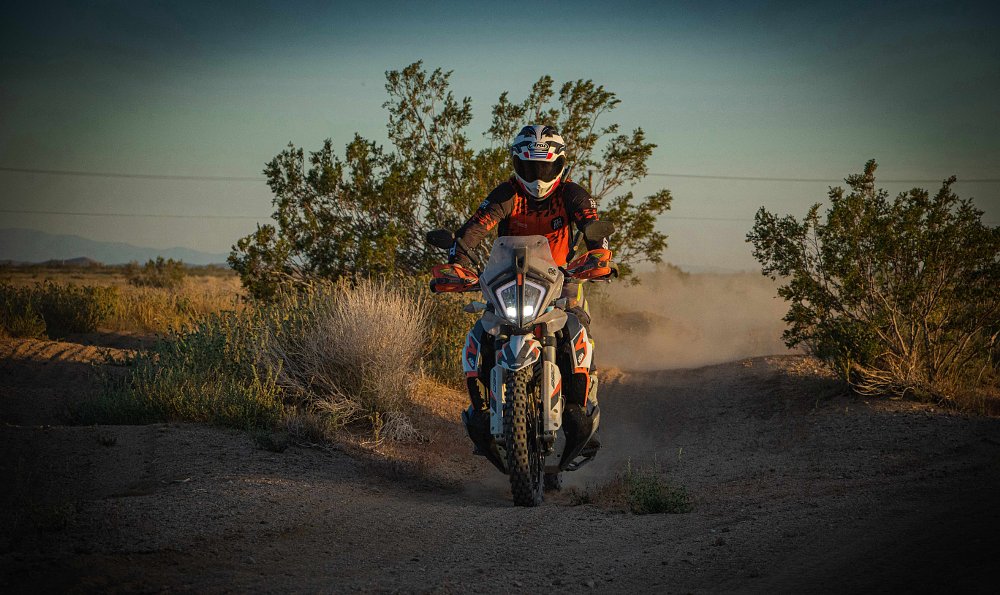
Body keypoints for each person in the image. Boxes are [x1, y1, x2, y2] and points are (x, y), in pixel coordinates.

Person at [448, 124, 611, 470]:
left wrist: (599, 254)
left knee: (579, 329)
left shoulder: (572, 193)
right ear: (516, 164)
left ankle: (584, 412)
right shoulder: (507, 193)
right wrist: (457, 261)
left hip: (563, 279)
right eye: (529, 167)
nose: (538, 175)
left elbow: (591, 224)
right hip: (509, 279)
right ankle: (480, 409)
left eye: (544, 167)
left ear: (559, 164)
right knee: (482, 331)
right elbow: (476, 227)